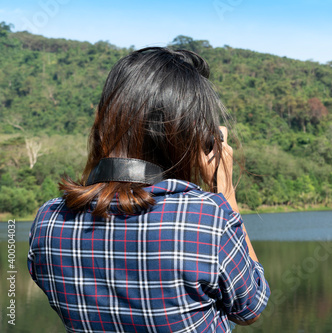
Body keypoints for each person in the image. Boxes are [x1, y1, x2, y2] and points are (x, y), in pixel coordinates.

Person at [27, 47, 270, 333]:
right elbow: (251, 306)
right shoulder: (206, 218)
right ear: (189, 136)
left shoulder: (48, 221)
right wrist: (226, 196)